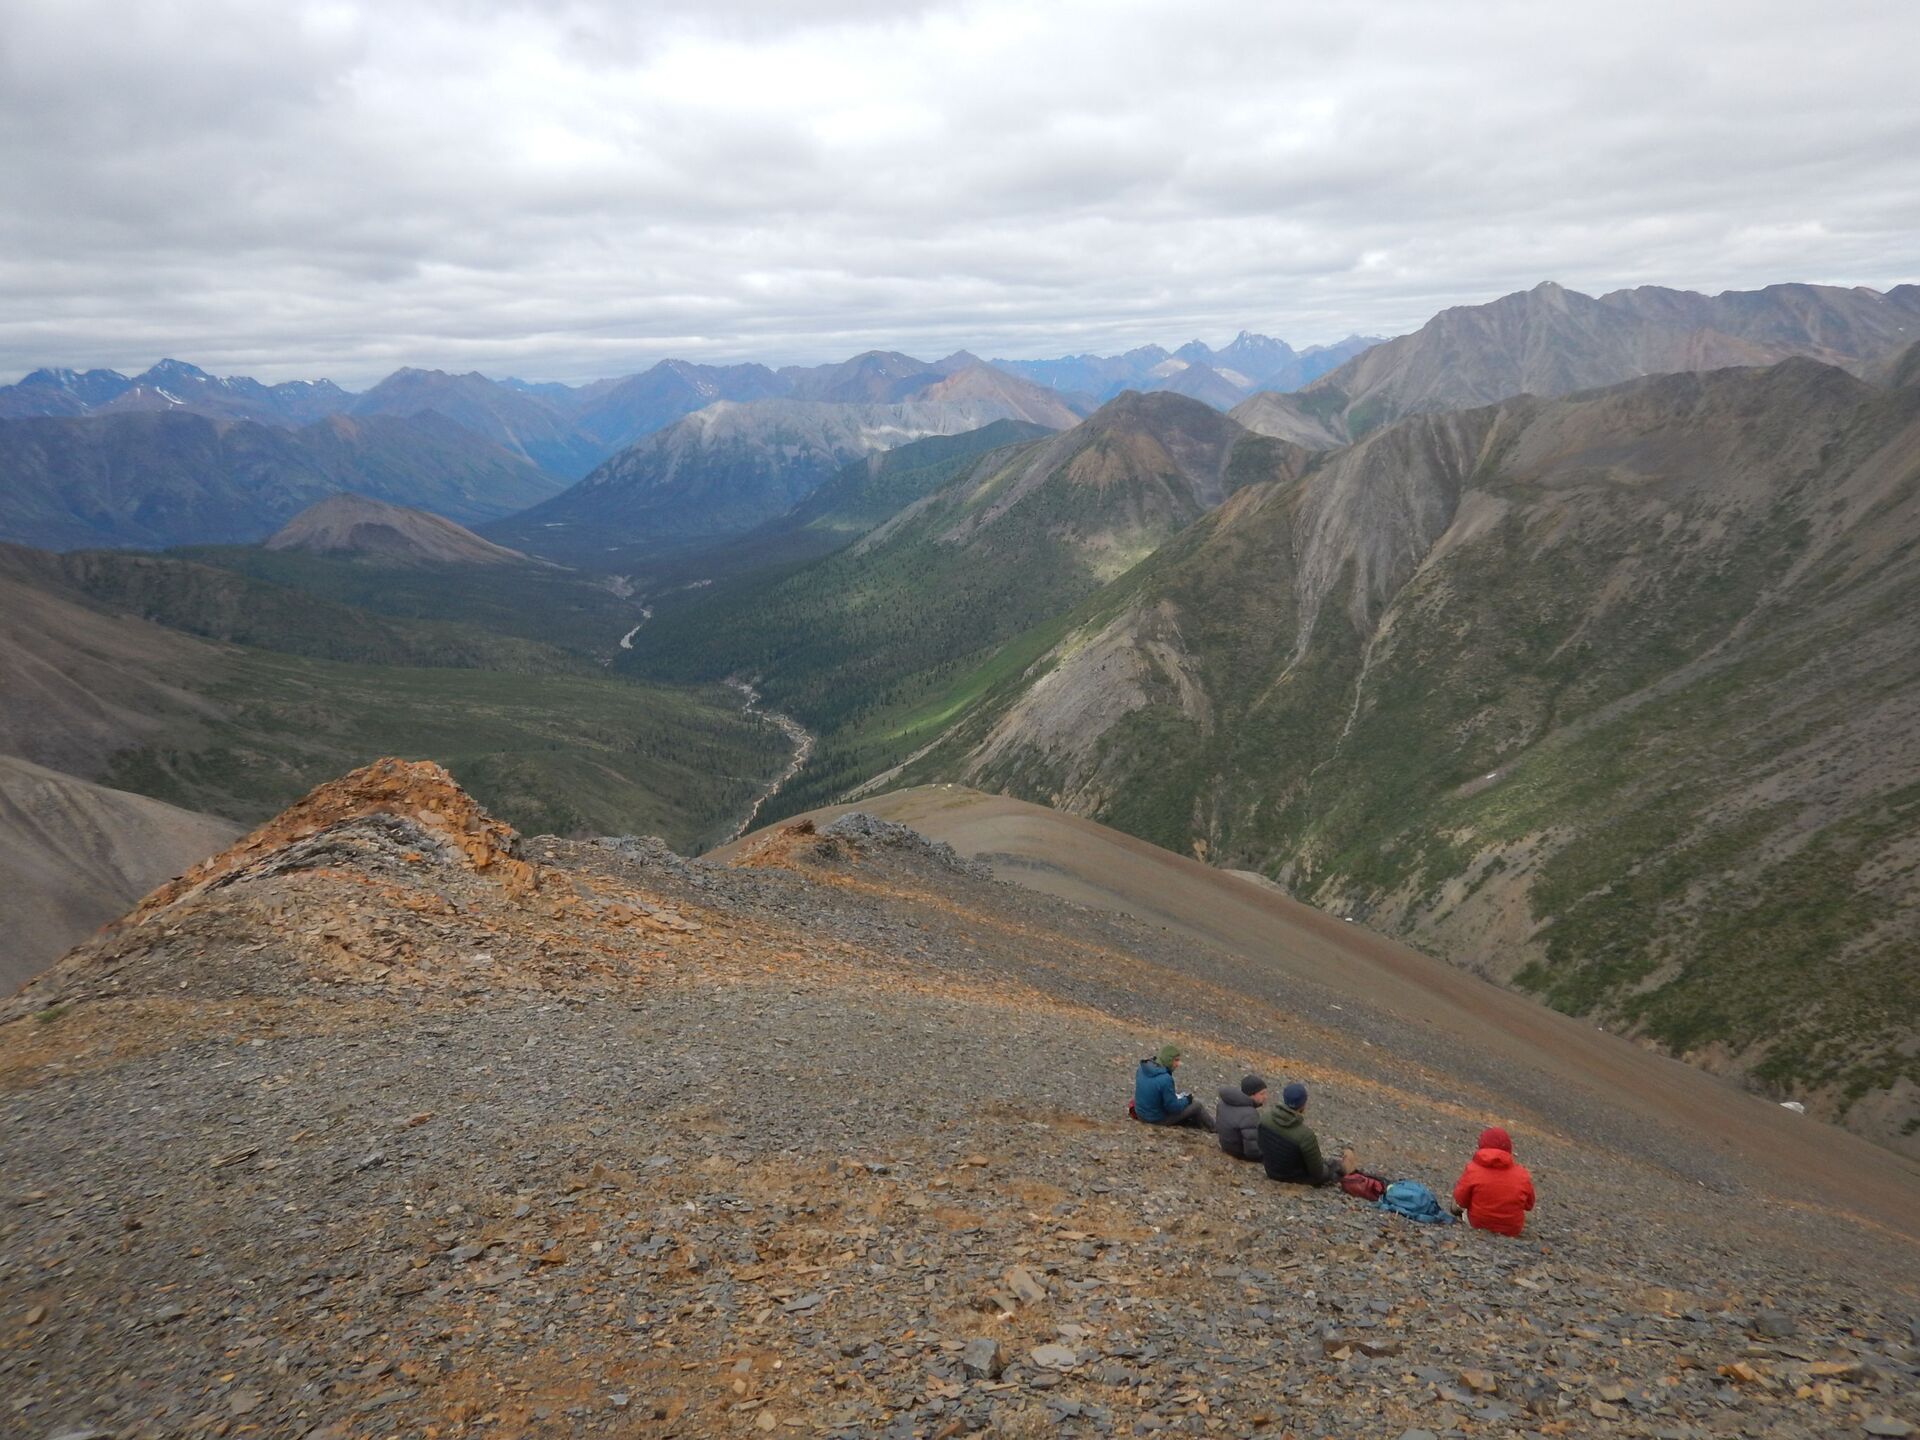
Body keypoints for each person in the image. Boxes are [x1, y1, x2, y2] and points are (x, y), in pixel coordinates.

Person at [1257, 1081, 1354, 1185]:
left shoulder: (1264, 1119)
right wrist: (1332, 1168)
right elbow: (1317, 1172)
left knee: (1327, 1162)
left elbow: (1261, 1147)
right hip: (1297, 1178)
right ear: (1303, 1104)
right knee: (1336, 1165)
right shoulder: (1305, 1135)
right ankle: (1352, 1173)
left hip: (1271, 1171)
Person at [1451, 1126, 1536, 1236]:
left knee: (1457, 1202)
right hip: (1512, 1230)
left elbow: (1461, 1200)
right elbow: (1529, 1205)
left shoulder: (1473, 1169)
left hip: (1478, 1223)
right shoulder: (1522, 1174)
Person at [1133, 1044, 1213, 1129]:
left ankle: (1198, 1124)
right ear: (1168, 1060)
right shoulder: (1165, 1079)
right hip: (1155, 1119)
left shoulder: (1142, 1068)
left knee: (1176, 1094)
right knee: (1197, 1105)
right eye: (1176, 1060)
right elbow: (1173, 1108)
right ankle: (1215, 1128)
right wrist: (1187, 1100)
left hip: (1140, 1114)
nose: (1178, 1064)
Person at [1214, 1074, 1268, 1159]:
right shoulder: (1249, 1114)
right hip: (1238, 1152)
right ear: (1251, 1095)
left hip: (1225, 1145)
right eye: (1262, 1094)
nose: (1265, 1097)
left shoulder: (1223, 1102)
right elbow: (1252, 1151)